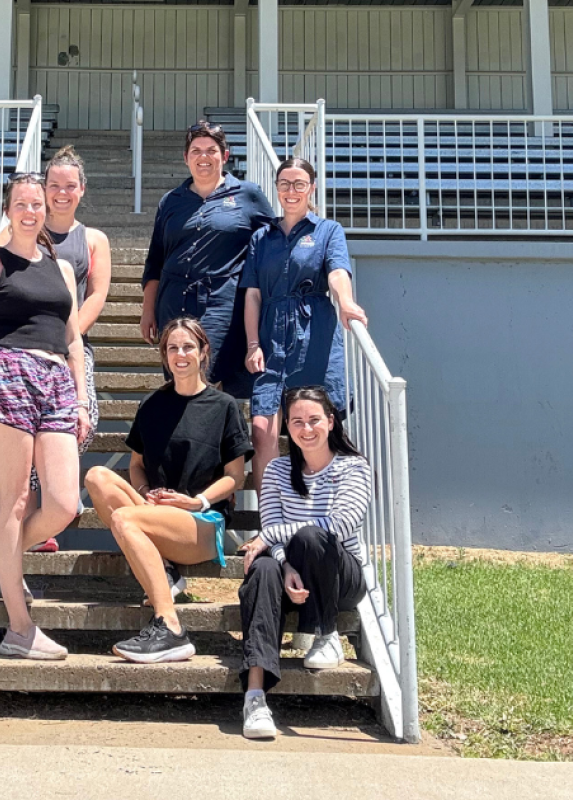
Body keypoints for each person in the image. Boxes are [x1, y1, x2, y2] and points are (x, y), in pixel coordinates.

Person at [0, 173, 91, 660]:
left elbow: (71, 339)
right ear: (8, 211)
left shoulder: (62, 268)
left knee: (65, 503)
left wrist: (82, 395)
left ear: (48, 209)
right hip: (10, 372)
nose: (31, 211)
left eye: (38, 204)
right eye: (21, 204)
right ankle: (20, 629)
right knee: (15, 499)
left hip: (58, 383)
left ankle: (2, 560)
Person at [84, 318, 252, 664]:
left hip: (201, 521)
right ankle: (165, 570)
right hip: (159, 514)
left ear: (203, 352)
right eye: (172, 348)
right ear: (164, 355)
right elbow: (136, 465)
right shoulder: (152, 404)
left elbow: (236, 476)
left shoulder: (224, 406)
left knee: (125, 521)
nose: (180, 354)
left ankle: (170, 627)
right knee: (97, 477)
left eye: (188, 347)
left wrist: (197, 500)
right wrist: (145, 492)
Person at [0, 145, 113, 550]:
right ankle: (29, 522)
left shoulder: (93, 238)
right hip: (24, 355)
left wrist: (67, 334)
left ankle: (34, 522)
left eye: (70, 186)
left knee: (82, 422)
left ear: (82, 190)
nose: (62, 192)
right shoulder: (21, 229)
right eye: (54, 185)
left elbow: (96, 295)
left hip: (70, 350)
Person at [236, 386, 372, 740]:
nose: (306, 429)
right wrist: (284, 565)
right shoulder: (278, 471)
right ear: (288, 428)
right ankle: (255, 697)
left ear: (330, 421)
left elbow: (340, 525)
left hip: (341, 578)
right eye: (297, 421)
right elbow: (271, 533)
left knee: (311, 536)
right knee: (262, 567)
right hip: (292, 575)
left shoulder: (354, 468)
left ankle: (326, 633)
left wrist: (272, 537)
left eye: (314, 420)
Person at [242, 157, 367, 490]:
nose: (291, 191)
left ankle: (320, 512)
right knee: (262, 429)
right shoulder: (261, 238)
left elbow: (338, 272)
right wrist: (253, 344)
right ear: (277, 189)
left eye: (299, 184)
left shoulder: (328, 231)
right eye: (284, 184)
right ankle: (270, 522)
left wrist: (346, 301)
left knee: (315, 427)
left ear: (312, 188)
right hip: (270, 340)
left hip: (313, 336)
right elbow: (252, 295)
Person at [141, 120, 274, 398]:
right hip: (173, 301)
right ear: (186, 158)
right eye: (196, 150)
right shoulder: (170, 201)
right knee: (181, 375)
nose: (204, 157)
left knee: (207, 372)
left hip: (222, 301)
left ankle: (216, 438)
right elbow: (156, 259)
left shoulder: (248, 195)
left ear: (224, 156)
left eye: (211, 150)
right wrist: (147, 309)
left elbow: (271, 246)